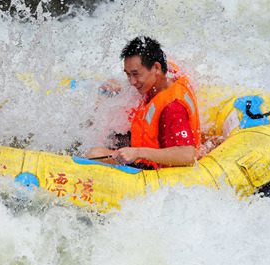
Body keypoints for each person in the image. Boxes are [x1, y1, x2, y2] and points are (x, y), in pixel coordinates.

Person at [86, 36, 200, 169]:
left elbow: (188, 155)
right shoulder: (166, 74)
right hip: (149, 140)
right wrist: (121, 87)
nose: (131, 82)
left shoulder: (173, 108)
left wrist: (138, 152)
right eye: (128, 74)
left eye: (135, 74)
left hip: (156, 165)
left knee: (94, 154)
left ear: (156, 68)